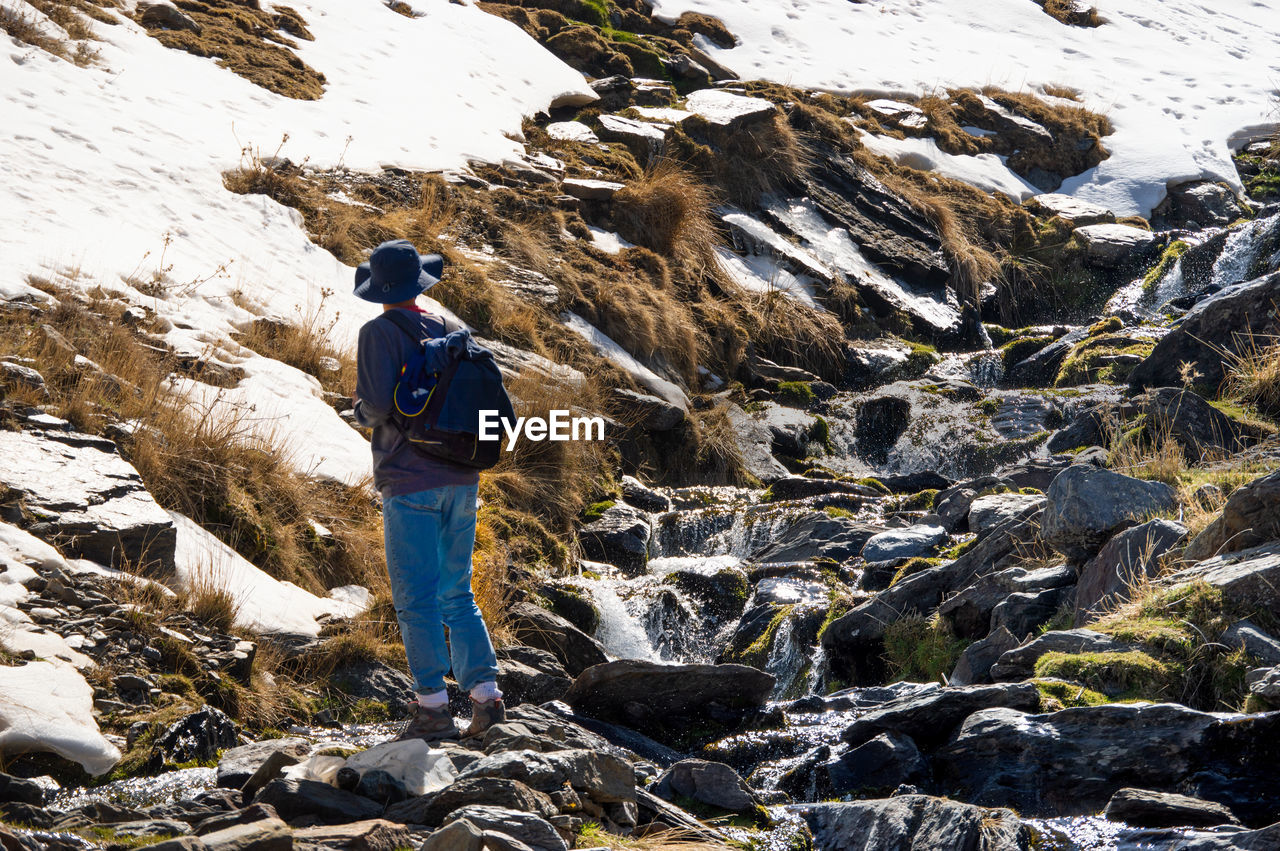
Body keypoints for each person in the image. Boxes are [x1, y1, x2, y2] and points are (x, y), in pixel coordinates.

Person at [351, 239, 504, 742]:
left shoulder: (378, 332)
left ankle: (433, 710)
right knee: (456, 592)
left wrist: (358, 413)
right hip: (462, 480)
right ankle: (486, 700)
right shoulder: (448, 329)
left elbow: (375, 407)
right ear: (420, 283)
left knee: (415, 599)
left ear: (379, 291)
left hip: (408, 480)